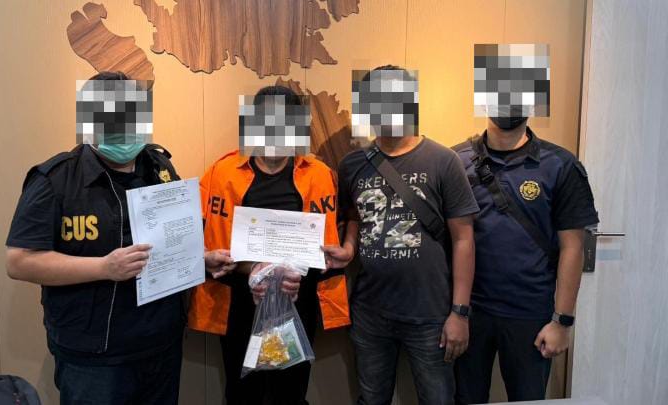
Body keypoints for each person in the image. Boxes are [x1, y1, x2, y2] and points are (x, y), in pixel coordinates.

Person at [5, 71, 222, 404]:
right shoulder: (56, 179)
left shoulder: (160, 168)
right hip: (94, 356)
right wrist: (104, 268)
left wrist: (201, 258)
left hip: (161, 344)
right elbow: (19, 261)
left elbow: (172, 240)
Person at [324, 65, 479, 405]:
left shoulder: (444, 161)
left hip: (430, 314)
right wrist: (349, 248)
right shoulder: (352, 165)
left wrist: (460, 313)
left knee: (438, 400)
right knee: (371, 399)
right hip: (370, 310)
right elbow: (353, 216)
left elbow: (464, 239)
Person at [187, 85, 351, 405]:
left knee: (291, 394)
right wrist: (212, 259)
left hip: (298, 301)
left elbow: (347, 220)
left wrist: (348, 249)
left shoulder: (321, 175)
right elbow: (190, 231)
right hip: (238, 304)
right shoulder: (221, 173)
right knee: (242, 394)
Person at [452, 117, 599, 403]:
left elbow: (573, 247)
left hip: (531, 314)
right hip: (470, 312)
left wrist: (562, 322)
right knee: (466, 398)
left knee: (528, 399)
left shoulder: (561, 164)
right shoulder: (456, 161)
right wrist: (456, 313)